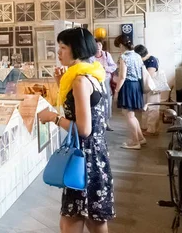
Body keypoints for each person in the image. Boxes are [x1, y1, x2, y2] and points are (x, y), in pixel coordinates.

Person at [38, 27, 115, 232]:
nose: (59, 52)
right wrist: (60, 82)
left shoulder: (80, 80)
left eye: (63, 47)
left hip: (84, 158)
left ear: (77, 49)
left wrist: (53, 118)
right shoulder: (92, 74)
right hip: (96, 155)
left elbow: (83, 129)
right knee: (94, 218)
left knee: (72, 220)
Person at [114, 35, 146, 150]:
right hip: (136, 85)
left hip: (128, 85)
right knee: (132, 115)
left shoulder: (124, 57)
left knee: (128, 115)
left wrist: (117, 91)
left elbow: (122, 76)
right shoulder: (137, 55)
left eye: (119, 46)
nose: (119, 48)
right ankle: (140, 138)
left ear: (121, 45)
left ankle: (135, 142)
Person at [135, 44, 161, 136]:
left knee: (153, 107)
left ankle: (152, 130)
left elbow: (149, 74)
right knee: (145, 107)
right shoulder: (144, 60)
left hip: (153, 87)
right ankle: (145, 127)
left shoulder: (152, 60)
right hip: (146, 86)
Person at [94, 40, 117, 131]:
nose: (98, 46)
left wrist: (105, 68)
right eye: (96, 45)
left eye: (99, 44)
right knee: (96, 100)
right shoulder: (90, 57)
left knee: (107, 100)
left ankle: (107, 122)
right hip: (95, 80)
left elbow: (114, 66)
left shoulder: (106, 55)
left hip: (105, 80)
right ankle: (97, 122)